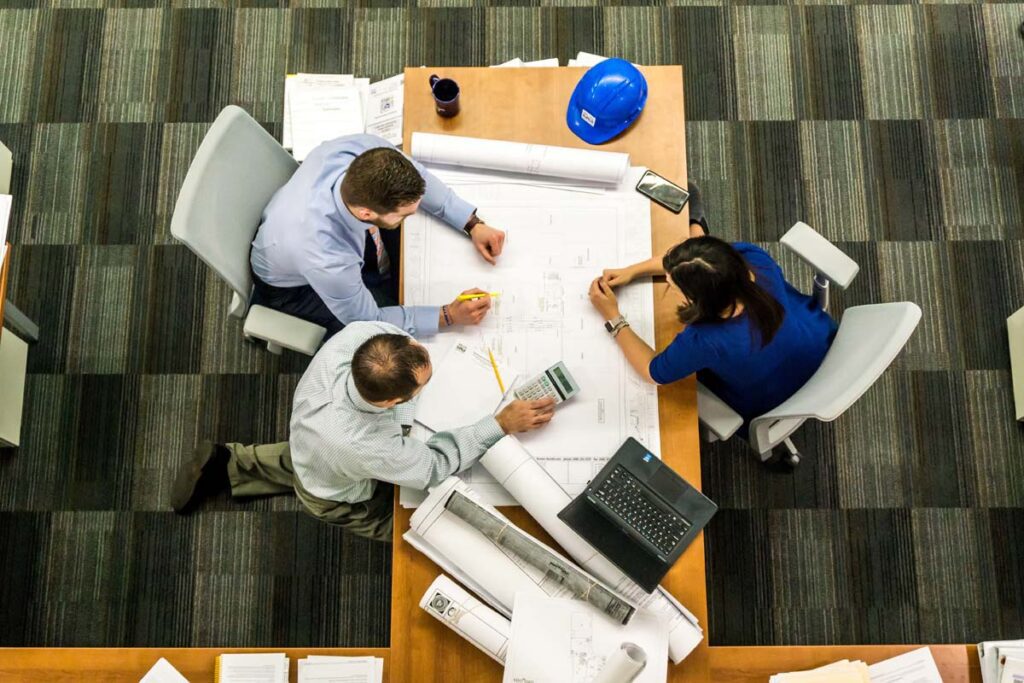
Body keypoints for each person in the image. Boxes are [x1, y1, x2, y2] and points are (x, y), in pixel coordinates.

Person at [170, 321, 555, 541]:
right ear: (392, 402)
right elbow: (433, 467)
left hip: (311, 438)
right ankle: (413, 536)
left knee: (307, 458)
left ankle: (230, 463)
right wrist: (499, 423)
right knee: (410, 526)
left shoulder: (360, 338)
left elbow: (399, 341)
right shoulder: (366, 445)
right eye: (423, 385)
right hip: (335, 491)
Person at [587, 184, 836, 465]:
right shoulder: (753, 261)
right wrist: (632, 271)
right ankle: (696, 224)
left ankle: (695, 223)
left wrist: (613, 317)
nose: (668, 282)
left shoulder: (706, 340)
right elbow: (698, 264)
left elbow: (653, 371)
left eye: (673, 285)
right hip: (818, 342)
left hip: (772, 398)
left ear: (698, 300)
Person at [250, 134, 507, 338]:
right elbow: (369, 320)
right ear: (366, 213)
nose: (414, 214)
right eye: (405, 214)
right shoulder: (327, 259)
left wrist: (471, 223)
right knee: (386, 342)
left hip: (293, 227)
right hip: (294, 288)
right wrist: (448, 315)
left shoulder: (364, 151)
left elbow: (420, 177)